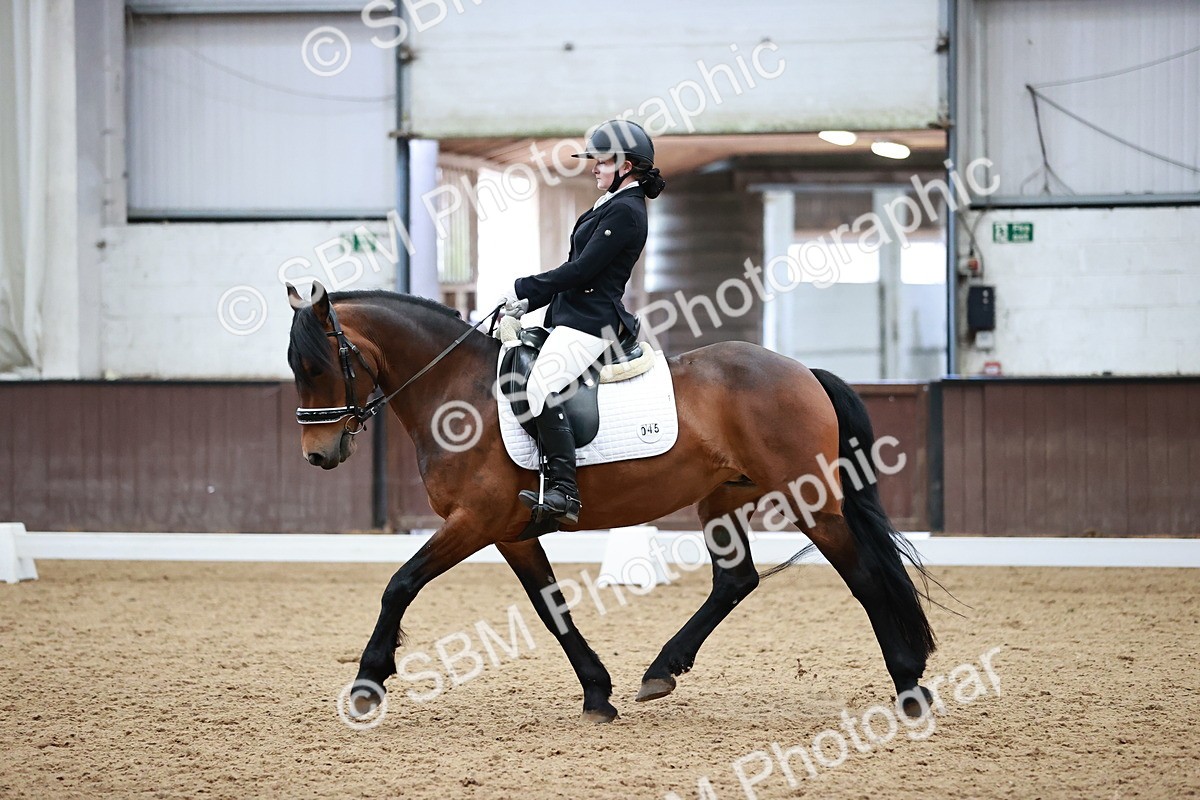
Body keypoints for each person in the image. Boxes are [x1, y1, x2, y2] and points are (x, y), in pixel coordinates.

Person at [500, 119, 666, 524]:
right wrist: (533, 303)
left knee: (541, 386)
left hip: (592, 323)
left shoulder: (627, 211)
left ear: (626, 165)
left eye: (601, 161)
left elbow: (583, 270)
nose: (593, 167)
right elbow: (573, 268)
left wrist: (524, 289)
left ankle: (563, 492)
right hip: (570, 317)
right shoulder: (608, 204)